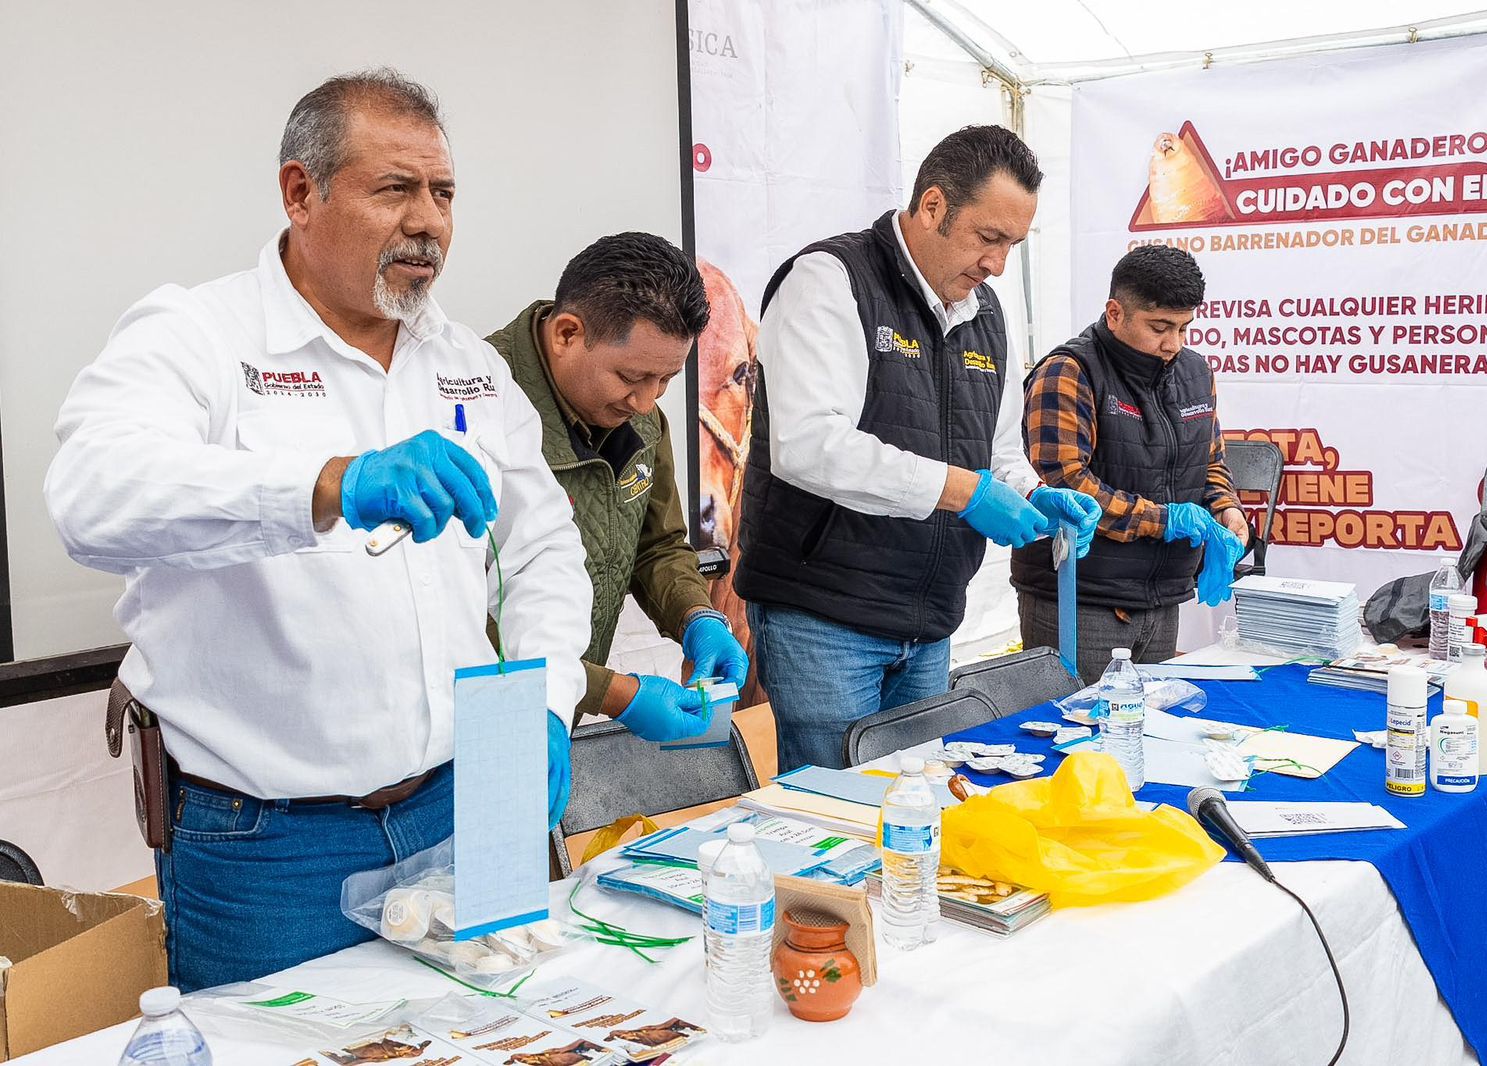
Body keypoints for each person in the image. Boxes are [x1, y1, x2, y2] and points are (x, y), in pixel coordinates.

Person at [44, 70, 591, 991]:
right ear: (301, 192)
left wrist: (544, 697)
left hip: (461, 805)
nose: (429, 222)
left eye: (444, 194)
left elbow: (543, 548)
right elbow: (90, 497)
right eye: (395, 190)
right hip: (266, 847)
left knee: (488, 1039)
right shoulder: (198, 334)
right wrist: (327, 484)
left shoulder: (465, 366)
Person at [736, 125, 1100, 772]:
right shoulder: (829, 281)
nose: (997, 264)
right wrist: (965, 493)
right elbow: (809, 444)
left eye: (1013, 245)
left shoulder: (986, 312)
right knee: (836, 825)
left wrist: (1036, 495)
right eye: (989, 238)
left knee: (913, 817)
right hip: (825, 620)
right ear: (933, 207)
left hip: (929, 622)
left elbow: (997, 452)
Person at [487, 234, 747, 741]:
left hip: (561, 718)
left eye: (667, 380)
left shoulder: (641, 421)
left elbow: (658, 545)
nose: (648, 402)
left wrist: (696, 615)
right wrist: (616, 693)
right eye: (633, 376)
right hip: (479, 724)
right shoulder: (476, 403)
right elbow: (476, 621)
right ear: (567, 333)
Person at [1012, 245, 1248, 684]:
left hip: (1163, 598)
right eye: (1159, 327)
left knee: (1147, 738)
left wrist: (1225, 510)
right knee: (1074, 738)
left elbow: (1211, 462)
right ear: (1115, 312)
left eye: (1184, 328)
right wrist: (1163, 520)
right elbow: (1063, 485)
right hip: (1081, 599)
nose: (1173, 344)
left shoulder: (1196, 372)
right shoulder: (1068, 372)